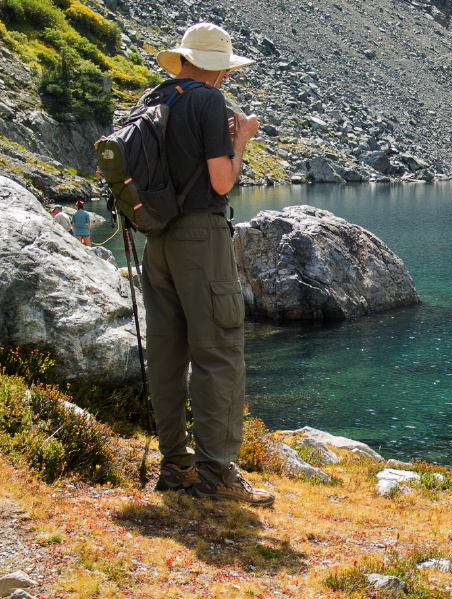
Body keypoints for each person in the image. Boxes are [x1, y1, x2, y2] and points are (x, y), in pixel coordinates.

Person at [143, 22, 272, 506]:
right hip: (200, 236)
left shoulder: (156, 98)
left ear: (183, 59)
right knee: (218, 349)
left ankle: (175, 465)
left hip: (157, 238)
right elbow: (220, 182)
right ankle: (217, 476)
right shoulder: (209, 101)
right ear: (219, 67)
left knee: (167, 352)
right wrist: (242, 141)